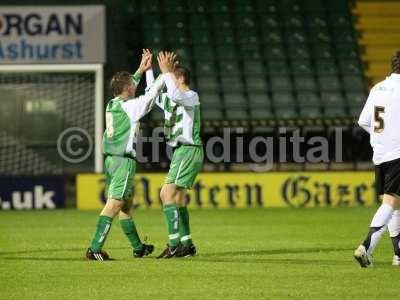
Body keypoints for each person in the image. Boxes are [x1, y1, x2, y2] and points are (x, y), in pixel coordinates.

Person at [85, 50, 166, 261]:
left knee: (126, 205)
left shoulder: (113, 104)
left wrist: (140, 69)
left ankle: (138, 247)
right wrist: (163, 75)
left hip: (111, 160)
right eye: (132, 84)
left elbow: (131, 87)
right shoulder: (130, 107)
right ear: (128, 89)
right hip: (123, 160)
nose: (134, 85)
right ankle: (94, 248)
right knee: (115, 203)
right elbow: (148, 99)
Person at [146, 51, 204, 258]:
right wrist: (149, 71)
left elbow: (175, 94)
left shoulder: (191, 96)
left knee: (166, 194)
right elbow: (151, 92)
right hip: (182, 151)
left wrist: (166, 72)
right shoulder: (173, 100)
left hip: (189, 150)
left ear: (180, 78)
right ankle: (187, 244)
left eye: (171, 76)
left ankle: (173, 244)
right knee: (178, 198)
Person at [354, 50, 400, 267]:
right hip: (399, 153)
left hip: (380, 154)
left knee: (394, 203)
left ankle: (399, 254)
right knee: (391, 202)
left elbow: (363, 121)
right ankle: (366, 246)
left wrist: (383, 136)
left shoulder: (378, 88)